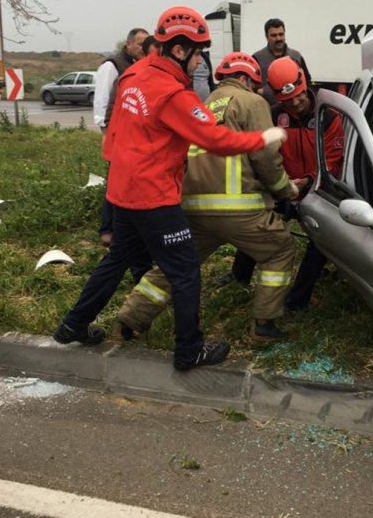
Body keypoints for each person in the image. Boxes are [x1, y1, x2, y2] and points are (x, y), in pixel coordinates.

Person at [53, 7, 287, 371]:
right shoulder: (173, 94)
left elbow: (113, 133)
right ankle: (189, 350)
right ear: (180, 50)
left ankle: (74, 323)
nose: (199, 64)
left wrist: (120, 171)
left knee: (116, 260)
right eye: (198, 55)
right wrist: (265, 136)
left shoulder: (133, 74)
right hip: (154, 196)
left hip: (121, 190)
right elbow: (215, 139)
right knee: (185, 271)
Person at [115, 51, 299, 344]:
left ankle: (129, 320)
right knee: (280, 249)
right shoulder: (252, 102)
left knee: (176, 264)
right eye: (254, 83)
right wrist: (285, 190)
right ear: (245, 79)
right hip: (239, 209)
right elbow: (264, 156)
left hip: (193, 207)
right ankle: (264, 325)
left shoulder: (202, 105)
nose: (255, 89)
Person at [229, 56, 344, 309]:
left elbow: (334, 161)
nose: (295, 103)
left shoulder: (329, 116)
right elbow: (268, 155)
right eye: (287, 100)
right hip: (285, 187)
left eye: (299, 96)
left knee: (320, 243)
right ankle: (238, 276)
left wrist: (309, 181)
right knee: (256, 223)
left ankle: (298, 299)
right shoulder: (272, 116)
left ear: (305, 84)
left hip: (319, 190)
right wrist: (281, 184)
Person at [94, 27, 149, 247]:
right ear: (128, 44)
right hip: (115, 131)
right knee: (114, 180)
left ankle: (124, 228)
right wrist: (105, 132)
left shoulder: (139, 63)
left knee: (126, 181)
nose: (142, 48)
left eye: (145, 45)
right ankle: (107, 229)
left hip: (130, 133)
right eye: (139, 44)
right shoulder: (112, 66)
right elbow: (102, 100)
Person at [253, 17, 312, 104]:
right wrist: (266, 92)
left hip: (293, 107)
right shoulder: (257, 58)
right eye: (274, 35)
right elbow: (252, 88)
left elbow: (307, 81)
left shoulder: (296, 56)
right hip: (269, 109)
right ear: (266, 37)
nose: (278, 38)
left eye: (281, 34)